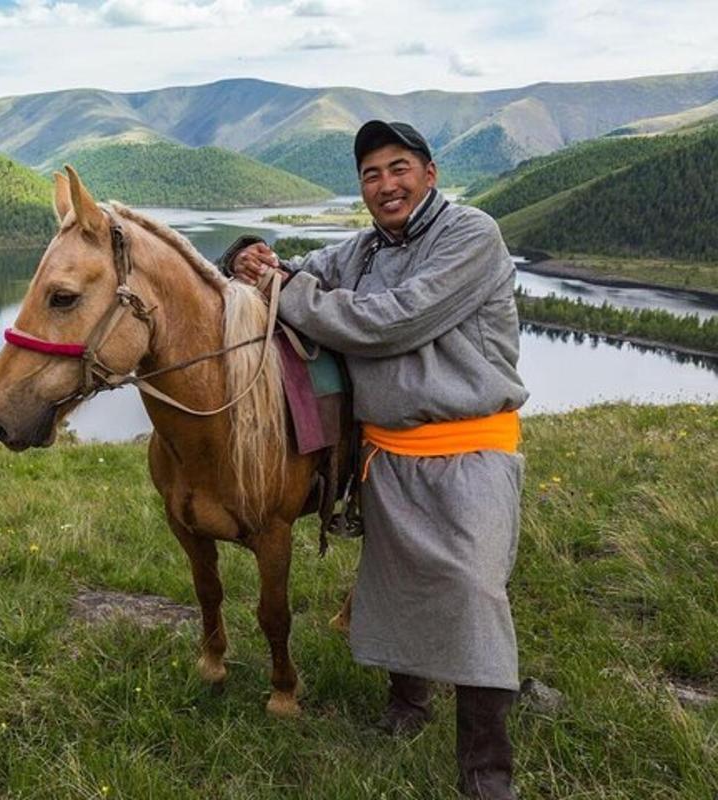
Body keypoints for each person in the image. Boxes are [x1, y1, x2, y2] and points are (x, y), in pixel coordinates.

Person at [220, 120, 528, 800]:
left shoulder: (472, 235)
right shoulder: (359, 251)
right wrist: (252, 259)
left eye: (397, 168)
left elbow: (391, 320)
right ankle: (407, 706)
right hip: (388, 454)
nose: (385, 184)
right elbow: (300, 273)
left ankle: (486, 770)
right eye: (370, 174)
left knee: (474, 593)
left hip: (468, 447)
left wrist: (285, 290)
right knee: (395, 587)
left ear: (430, 173)